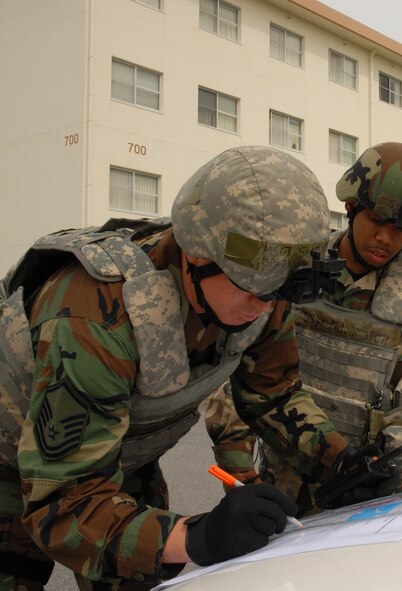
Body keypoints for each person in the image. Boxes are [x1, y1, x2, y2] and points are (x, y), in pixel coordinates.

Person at [0, 146, 337, 589]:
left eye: (278, 290)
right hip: (16, 469)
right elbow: (66, 503)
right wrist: (200, 536)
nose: (265, 305)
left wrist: (340, 460)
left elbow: (273, 394)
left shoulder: (258, 292)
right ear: (195, 257)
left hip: (124, 462)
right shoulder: (94, 314)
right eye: (254, 288)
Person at [204, 142, 402, 514]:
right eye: (377, 221)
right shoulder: (293, 270)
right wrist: (239, 469)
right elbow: (236, 371)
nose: (386, 239)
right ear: (351, 207)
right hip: (286, 483)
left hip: (380, 494)